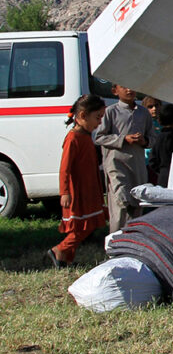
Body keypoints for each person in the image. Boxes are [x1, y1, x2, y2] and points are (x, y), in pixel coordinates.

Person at [46, 95, 109, 268]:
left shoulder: (85, 136)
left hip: (89, 188)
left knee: (83, 225)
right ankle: (59, 250)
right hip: (78, 191)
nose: (99, 122)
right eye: (97, 117)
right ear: (82, 116)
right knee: (83, 226)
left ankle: (65, 258)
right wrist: (64, 192)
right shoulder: (73, 139)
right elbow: (64, 168)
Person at [93, 84, 152, 234]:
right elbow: (99, 137)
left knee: (137, 204)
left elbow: (153, 138)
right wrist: (123, 139)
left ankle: (131, 245)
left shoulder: (143, 113)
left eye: (132, 86)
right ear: (115, 91)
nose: (129, 90)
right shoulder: (110, 112)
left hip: (137, 165)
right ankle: (115, 246)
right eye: (124, 87)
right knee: (120, 204)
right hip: (117, 165)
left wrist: (144, 141)